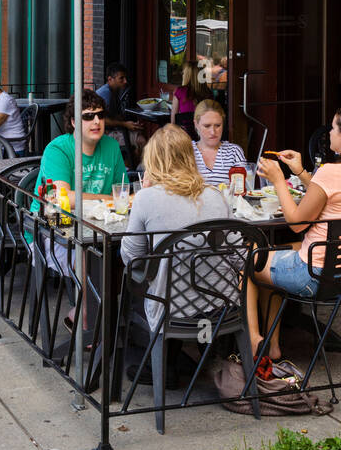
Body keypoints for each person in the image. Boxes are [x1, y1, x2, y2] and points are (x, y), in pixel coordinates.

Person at [247, 102, 341, 361]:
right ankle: (274, 345)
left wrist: (278, 181)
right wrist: (299, 171)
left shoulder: (332, 172)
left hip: (314, 275)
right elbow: (331, 196)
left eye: (332, 128)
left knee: (249, 257)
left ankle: (254, 341)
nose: (329, 133)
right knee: (271, 256)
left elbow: (297, 224)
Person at [121, 125, 229, 333]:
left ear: (153, 160)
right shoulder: (216, 195)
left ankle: (154, 357)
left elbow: (130, 258)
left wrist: (146, 192)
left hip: (171, 310)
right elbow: (234, 256)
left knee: (134, 289)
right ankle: (205, 353)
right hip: (220, 306)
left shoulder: (146, 198)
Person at [33, 90, 128, 206]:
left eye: (101, 115)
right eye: (89, 116)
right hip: (54, 219)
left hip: (100, 218)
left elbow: (122, 193)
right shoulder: (57, 149)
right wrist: (108, 199)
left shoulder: (112, 146)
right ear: (73, 121)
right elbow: (62, 198)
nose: (97, 121)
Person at [191, 99, 247, 186]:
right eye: (207, 126)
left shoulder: (234, 152)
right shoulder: (186, 151)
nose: (213, 132)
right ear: (196, 124)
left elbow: (243, 188)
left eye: (217, 125)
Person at [170, 61, 199, 137]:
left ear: (186, 75)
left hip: (184, 137)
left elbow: (173, 122)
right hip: (203, 137)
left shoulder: (180, 91)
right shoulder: (208, 93)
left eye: (183, 73)